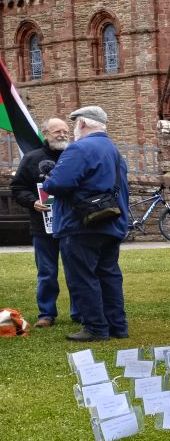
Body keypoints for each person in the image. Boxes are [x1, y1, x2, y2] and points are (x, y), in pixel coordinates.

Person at [42, 106, 129, 342]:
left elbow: (58, 184)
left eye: (74, 125)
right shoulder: (113, 150)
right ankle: (117, 326)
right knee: (109, 275)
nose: (73, 130)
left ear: (82, 124)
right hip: (110, 221)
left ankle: (96, 327)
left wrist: (48, 179)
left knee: (83, 277)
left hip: (81, 224)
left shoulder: (80, 148)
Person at [10, 117, 78, 328]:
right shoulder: (32, 159)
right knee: (47, 272)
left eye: (66, 131)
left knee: (76, 271)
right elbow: (18, 188)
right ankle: (47, 314)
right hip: (43, 226)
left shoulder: (76, 156)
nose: (63, 135)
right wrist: (32, 202)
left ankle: (80, 312)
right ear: (46, 134)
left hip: (72, 226)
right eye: (57, 131)